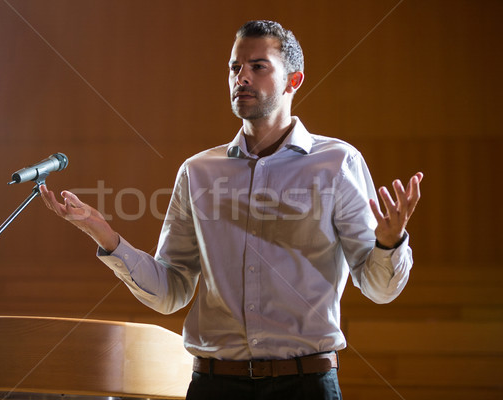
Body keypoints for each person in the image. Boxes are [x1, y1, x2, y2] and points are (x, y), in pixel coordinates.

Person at [40, 20, 422, 400]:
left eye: (258, 67)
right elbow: (172, 290)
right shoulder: (198, 171)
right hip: (213, 385)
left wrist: (389, 243)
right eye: (235, 67)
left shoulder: (337, 163)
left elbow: (378, 288)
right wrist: (103, 234)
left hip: (305, 384)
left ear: (294, 81)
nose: (241, 77)